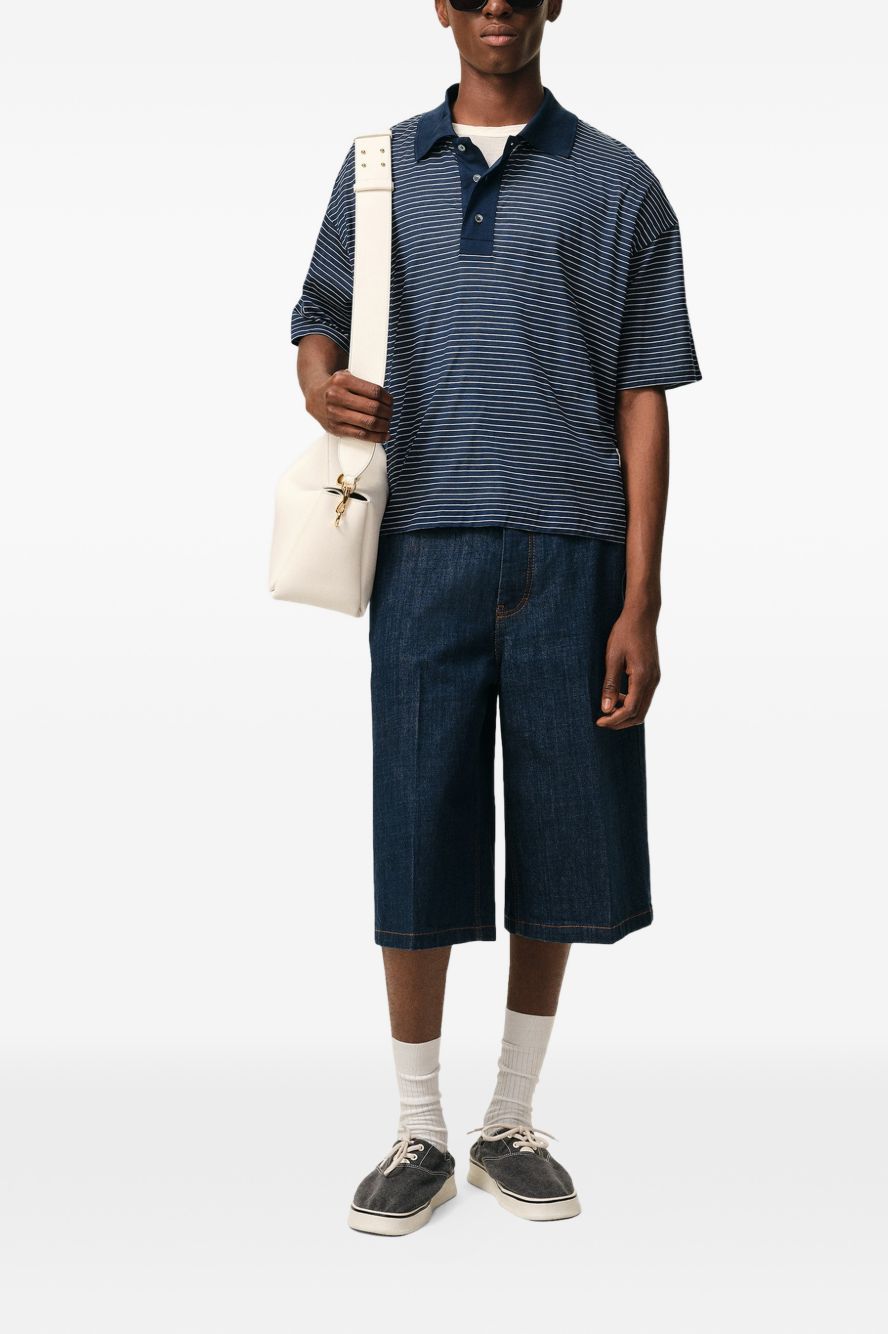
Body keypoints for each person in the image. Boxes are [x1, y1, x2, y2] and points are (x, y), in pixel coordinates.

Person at [290, 0, 701, 1236]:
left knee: (565, 830)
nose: (495, 10)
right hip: (419, 542)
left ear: (553, 2)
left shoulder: (618, 183)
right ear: (440, 4)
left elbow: (644, 393)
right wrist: (322, 385)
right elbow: (317, 315)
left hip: (575, 551)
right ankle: (416, 1126)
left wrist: (642, 598)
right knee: (418, 824)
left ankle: (508, 1119)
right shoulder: (377, 170)